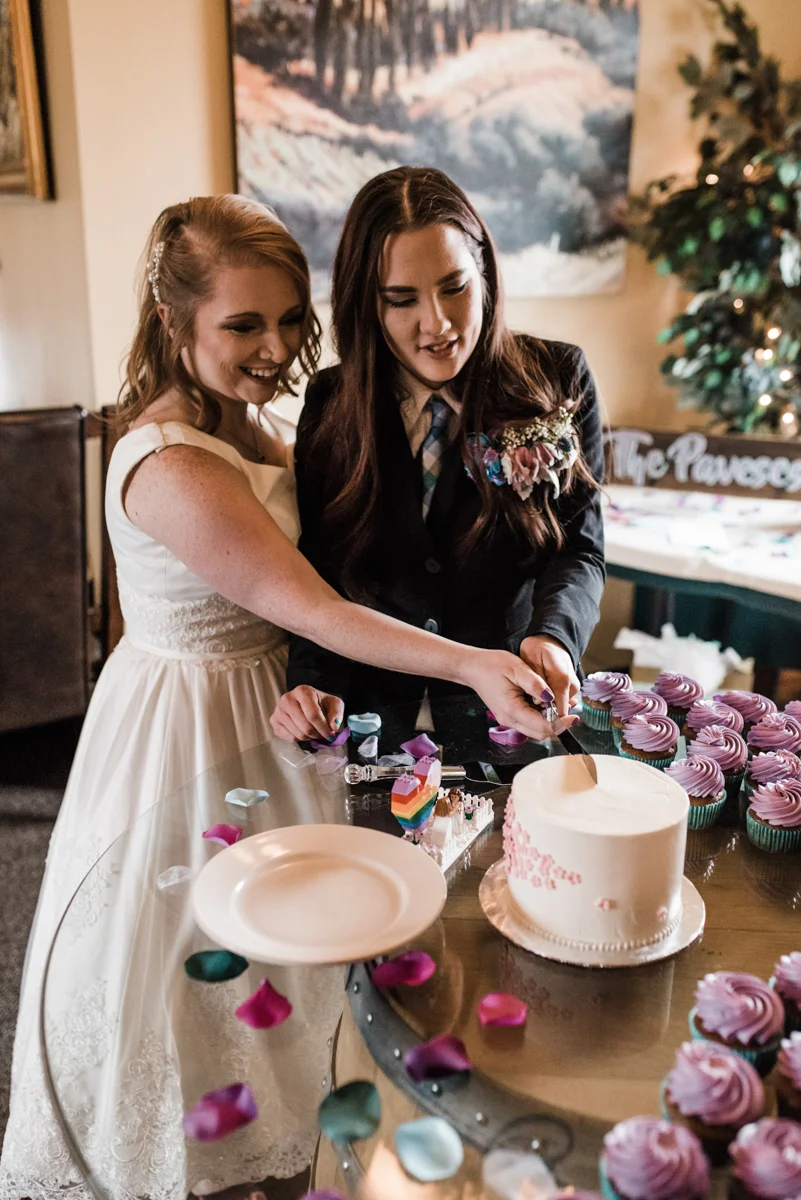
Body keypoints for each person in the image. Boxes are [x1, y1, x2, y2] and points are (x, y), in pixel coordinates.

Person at [0, 193, 558, 1200]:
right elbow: (313, 605)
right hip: (191, 720)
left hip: (283, 706)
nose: (275, 348)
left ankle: (291, 1153)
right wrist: (473, 662)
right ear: (174, 323)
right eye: (242, 325)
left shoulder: (263, 420)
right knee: (195, 968)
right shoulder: (171, 460)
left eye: (289, 318)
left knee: (294, 961)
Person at [275, 167, 605, 741]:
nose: (439, 325)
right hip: (367, 714)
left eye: (454, 287)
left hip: (512, 710)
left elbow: (579, 549)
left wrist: (553, 636)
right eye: (402, 300)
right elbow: (321, 567)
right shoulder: (331, 401)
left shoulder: (559, 377)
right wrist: (309, 682)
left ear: (485, 274)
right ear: (367, 305)